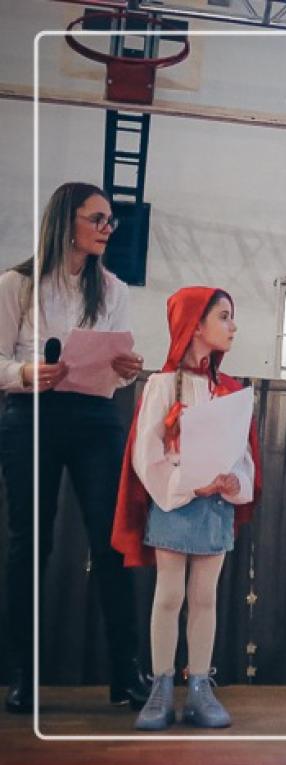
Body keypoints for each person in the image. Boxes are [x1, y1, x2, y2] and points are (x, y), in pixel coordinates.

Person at [0, 182, 147, 713]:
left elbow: (115, 367)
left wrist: (126, 370)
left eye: (111, 221)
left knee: (112, 543)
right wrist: (24, 372)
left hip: (94, 416)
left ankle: (126, 674)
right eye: (97, 219)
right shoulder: (17, 284)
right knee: (29, 544)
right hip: (31, 414)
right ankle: (23, 676)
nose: (108, 229)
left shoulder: (113, 289)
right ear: (67, 221)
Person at [111, 286, 261, 730]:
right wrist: (188, 485)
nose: (233, 326)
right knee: (169, 595)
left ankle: (199, 687)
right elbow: (146, 454)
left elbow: (243, 456)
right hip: (175, 504)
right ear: (195, 325)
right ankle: (160, 688)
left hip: (216, 508)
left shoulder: (230, 391)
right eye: (223, 316)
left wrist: (233, 482)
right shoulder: (162, 385)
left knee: (204, 598)